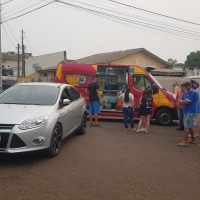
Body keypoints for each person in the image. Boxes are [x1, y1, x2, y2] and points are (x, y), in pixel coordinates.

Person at [176, 81, 198, 147]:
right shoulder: (185, 92)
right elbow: (182, 100)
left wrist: (181, 102)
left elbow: (187, 102)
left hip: (190, 111)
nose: (186, 87)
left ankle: (185, 142)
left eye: (187, 86)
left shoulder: (194, 93)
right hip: (186, 111)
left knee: (186, 127)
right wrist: (181, 101)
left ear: (191, 86)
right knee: (190, 126)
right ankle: (193, 140)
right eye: (185, 86)